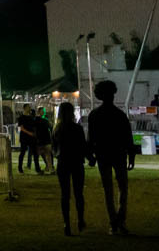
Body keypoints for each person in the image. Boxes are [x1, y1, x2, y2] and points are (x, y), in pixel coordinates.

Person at [87, 80, 131, 237]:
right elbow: (128, 137)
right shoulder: (119, 115)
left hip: (103, 155)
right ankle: (121, 220)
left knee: (108, 190)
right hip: (118, 154)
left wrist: (90, 156)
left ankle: (114, 222)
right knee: (122, 188)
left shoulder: (94, 115)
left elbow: (91, 139)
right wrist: (131, 155)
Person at [52, 101, 88, 236]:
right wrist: (89, 157)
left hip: (63, 162)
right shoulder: (77, 129)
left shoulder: (57, 129)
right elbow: (83, 146)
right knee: (78, 193)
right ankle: (80, 219)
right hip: (77, 162)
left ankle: (66, 223)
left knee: (65, 194)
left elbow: (54, 149)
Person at [32, 107, 53, 174]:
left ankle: (50, 168)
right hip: (40, 140)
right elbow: (35, 129)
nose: (43, 112)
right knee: (39, 155)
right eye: (42, 111)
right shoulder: (37, 120)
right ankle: (40, 168)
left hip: (46, 139)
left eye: (44, 111)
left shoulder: (45, 120)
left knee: (48, 155)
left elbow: (50, 128)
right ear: (39, 112)